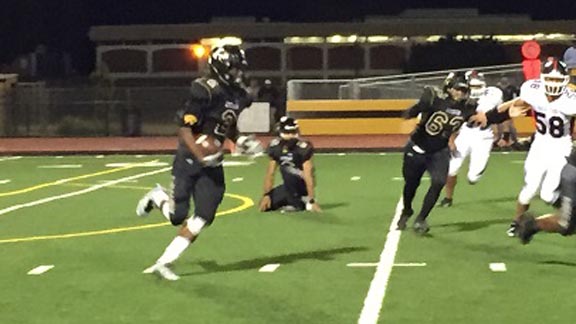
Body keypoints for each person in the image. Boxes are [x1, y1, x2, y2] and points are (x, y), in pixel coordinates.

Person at [135, 45, 263, 281]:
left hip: (212, 162)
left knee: (204, 215)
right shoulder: (204, 90)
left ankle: (164, 262)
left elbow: (225, 124)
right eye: (234, 68)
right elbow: (185, 129)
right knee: (177, 215)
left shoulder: (238, 95)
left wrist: (240, 140)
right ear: (221, 66)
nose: (238, 73)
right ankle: (157, 196)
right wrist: (200, 155)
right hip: (190, 157)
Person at [396, 71, 527, 235]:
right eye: (458, 89)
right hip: (417, 148)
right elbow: (411, 113)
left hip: (439, 151)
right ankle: (407, 210)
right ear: (449, 88)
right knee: (411, 185)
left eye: (464, 90)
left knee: (438, 183)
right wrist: (417, 108)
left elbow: (484, 118)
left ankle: (421, 218)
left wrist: (507, 114)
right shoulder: (435, 100)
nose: (461, 93)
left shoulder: (467, 108)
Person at [506, 57, 576, 237]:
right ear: (542, 78)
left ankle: (564, 218)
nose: (553, 84)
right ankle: (517, 223)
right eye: (550, 79)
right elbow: (521, 103)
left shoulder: (571, 99)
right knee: (529, 188)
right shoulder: (532, 89)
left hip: (561, 146)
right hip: (540, 144)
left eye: (557, 80)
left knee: (548, 193)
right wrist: (514, 108)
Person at [439, 70, 503, 207]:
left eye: (478, 86)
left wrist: (502, 134)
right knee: (450, 169)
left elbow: (502, 115)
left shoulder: (493, 95)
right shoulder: (459, 97)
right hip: (465, 133)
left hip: (484, 137)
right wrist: (451, 140)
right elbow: (452, 121)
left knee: (473, 178)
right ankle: (448, 198)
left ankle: (477, 169)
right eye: (473, 87)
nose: (475, 90)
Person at [259, 116, 321, 213]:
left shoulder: (303, 148)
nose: (290, 136)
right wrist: (267, 195)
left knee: (288, 171)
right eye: (288, 133)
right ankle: (294, 201)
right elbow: (270, 173)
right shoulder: (276, 147)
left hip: (301, 187)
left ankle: (302, 200)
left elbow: (309, 176)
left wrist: (312, 199)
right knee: (265, 205)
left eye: (292, 133)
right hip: (288, 187)